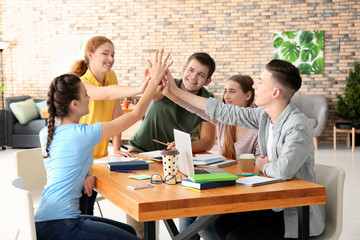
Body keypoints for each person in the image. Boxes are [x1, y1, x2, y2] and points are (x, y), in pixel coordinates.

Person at [165, 59, 325, 239]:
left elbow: (283, 170)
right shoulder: (264, 116)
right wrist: (175, 91)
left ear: (275, 92)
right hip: (271, 202)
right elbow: (222, 111)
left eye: (260, 82)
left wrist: (263, 165)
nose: (255, 86)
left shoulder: (298, 125)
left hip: (292, 213)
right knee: (210, 222)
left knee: (235, 236)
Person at [35, 49, 172, 240]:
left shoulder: (46, 133)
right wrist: (155, 80)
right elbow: (136, 114)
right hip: (63, 225)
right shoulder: (82, 134)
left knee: (131, 232)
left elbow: (66, 163)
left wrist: (87, 172)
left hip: (45, 220)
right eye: (85, 95)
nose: (89, 98)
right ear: (74, 104)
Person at [127, 52, 217, 239]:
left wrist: (185, 147)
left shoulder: (207, 100)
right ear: (183, 69)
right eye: (191, 70)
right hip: (141, 153)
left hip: (175, 159)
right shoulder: (166, 86)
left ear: (207, 81)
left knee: (183, 207)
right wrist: (154, 78)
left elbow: (208, 140)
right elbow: (153, 95)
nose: (193, 77)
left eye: (201, 75)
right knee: (140, 216)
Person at [163, 74, 261, 240]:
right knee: (188, 208)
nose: (226, 96)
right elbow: (191, 106)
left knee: (205, 222)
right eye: (225, 91)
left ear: (248, 95)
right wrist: (168, 91)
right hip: (222, 183)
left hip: (242, 190)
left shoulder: (257, 128)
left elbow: (259, 168)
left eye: (231, 91)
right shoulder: (224, 121)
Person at [70, 35, 150, 215]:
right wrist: (139, 89)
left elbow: (117, 114)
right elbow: (106, 93)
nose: (111, 59)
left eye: (113, 54)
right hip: (80, 156)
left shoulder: (111, 75)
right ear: (90, 55)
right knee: (82, 210)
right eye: (105, 54)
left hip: (98, 157)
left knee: (88, 205)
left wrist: (115, 149)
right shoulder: (80, 82)